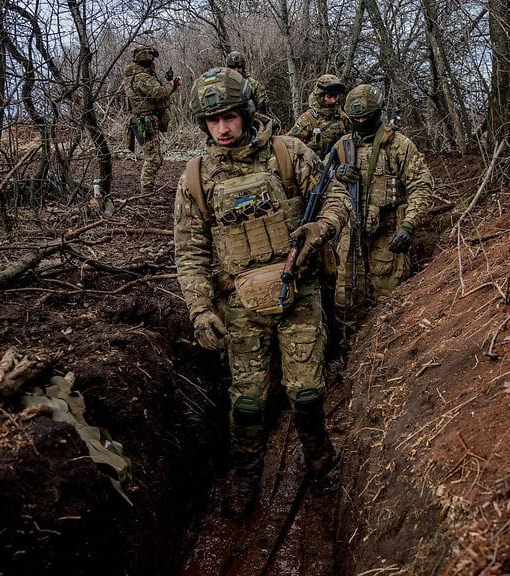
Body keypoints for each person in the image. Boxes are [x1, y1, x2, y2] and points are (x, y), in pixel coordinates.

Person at [172, 67, 350, 517]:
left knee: (306, 393)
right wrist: (200, 310)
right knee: (248, 402)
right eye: (213, 120)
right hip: (240, 305)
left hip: (299, 292)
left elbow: (336, 198)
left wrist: (321, 228)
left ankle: (319, 457)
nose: (222, 128)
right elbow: (190, 252)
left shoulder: (287, 153)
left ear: (247, 113)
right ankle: (245, 473)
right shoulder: (196, 178)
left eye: (229, 117)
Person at [331, 84, 433, 323]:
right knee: (346, 300)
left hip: (387, 234)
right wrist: (337, 173)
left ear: (378, 113)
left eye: (366, 117)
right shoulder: (342, 147)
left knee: (389, 301)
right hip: (350, 236)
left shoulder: (398, 145)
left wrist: (408, 225)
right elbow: (319, 184)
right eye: (357, 118)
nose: (362, 122)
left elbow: (421, 186)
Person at [124, 46, 182, 194]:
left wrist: (172, 86)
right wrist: (170, 85)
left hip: (145, 120)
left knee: (156, 157)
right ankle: (146, 192)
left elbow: (156, 97)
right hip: (144, 121)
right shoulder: (142, 78)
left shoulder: (138, 76)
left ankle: (148, 190)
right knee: (153, 158)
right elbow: (159, 93)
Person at [288, 74, 348, 159]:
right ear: (320, 96)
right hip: (314, 164)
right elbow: (289, 145)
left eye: (335, 96)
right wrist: (306, 148)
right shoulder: (308, 119)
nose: (333, 100)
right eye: (329, 96)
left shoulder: (342, 117)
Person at [225, 50, 269, 115]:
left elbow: (262, 104)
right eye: (233, 67)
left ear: (243, 68)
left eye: (239, 67)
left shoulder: (253, 84)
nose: (236, 70)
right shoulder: (223, 85)